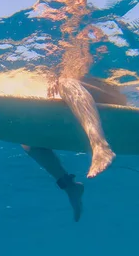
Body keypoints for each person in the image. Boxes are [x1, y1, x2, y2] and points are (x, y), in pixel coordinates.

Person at [22, 77, 128, 222]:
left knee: (65, 82)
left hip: (113, 94)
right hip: (77, 98)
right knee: (27, 139)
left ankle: (100, 146)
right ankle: (69, 186)